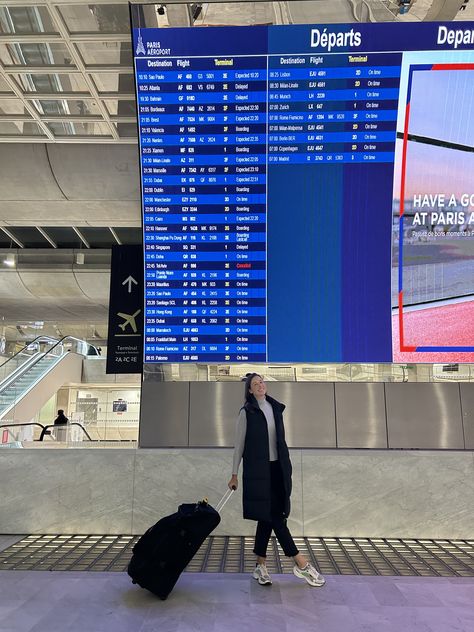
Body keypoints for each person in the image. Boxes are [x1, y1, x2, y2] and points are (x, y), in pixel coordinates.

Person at [228, 373, 325, 588]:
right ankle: (301, 563)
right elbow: (239, 445)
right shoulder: (247, 413)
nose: (260, 385)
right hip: (258, 472)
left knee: (267, 517)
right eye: (255, 384)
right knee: (276, 517)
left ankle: (260, 566)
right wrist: (234, 474)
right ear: (250, 391)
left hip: (278, 469)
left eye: (262, 382)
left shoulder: (275, 409)